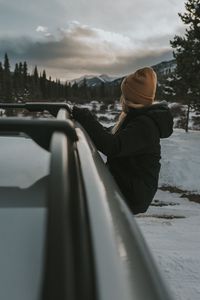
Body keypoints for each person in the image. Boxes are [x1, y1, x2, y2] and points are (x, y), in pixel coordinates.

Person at [72, 67, 173, 214]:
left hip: (133, 193)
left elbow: (113, 146)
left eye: (124, 94)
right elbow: (111, 134)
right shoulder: (136, 118)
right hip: (127, 184)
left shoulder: (144, 125)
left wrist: (85, 117)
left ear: (131, 97)